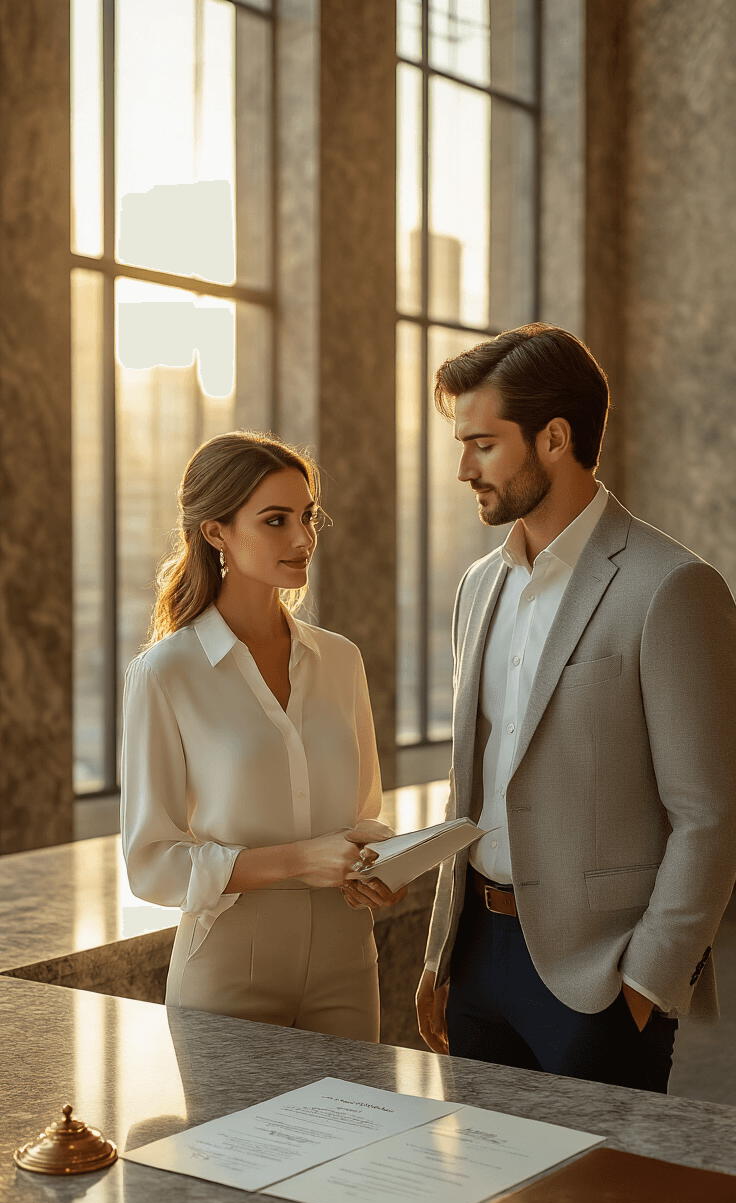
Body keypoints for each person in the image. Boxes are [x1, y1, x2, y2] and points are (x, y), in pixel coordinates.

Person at [416, 323, 736, 1092]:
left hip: (600, 981)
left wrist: (646, 986)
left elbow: (710, 814)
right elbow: (480, 783)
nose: (463, 467)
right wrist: (440, 955)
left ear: (554, 438)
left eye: (483, 444)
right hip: (476, 963)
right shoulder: (476, 587)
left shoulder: (671, 587)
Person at [122, 431, 404, 1042]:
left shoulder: (340, 660)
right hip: (227, 970)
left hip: (347, 963)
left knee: (357, 1139)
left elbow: (361, 813)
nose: (302, 539)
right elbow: (152, 864)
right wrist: (302, 860)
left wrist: (374, 862)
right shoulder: (165, 673)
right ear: (215, 532)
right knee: (228, 1143)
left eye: (307, 517)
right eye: (275, 521)